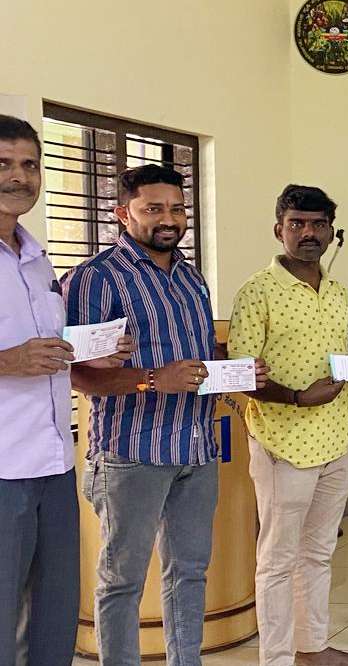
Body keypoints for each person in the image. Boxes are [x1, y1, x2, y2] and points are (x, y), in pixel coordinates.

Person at [67, 164, 267, 666]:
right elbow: (78, 375)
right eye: (153, 208)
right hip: (132, 453)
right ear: (122, 213)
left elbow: (196, 361)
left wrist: (235, 370)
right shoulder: (96, 278)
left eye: (177, 209)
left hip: (197, 450)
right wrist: (154, 379)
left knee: (190, 573)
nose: (169, 219)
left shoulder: (191, 277)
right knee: (122, 581)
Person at [0, 114, 129, 666]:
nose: (20, 176)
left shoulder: (37, 259)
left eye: (30, 164)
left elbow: (49, 347)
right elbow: (17, 355)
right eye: (4, 163)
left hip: (54, 461)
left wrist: (90, 351)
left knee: (55, 611)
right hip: (4, 466)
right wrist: (7, 360)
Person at [229, 185, 348, 666]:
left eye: (318, 224)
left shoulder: (337, 291)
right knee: (278, 560)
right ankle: (277, 658)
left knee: (320, 552)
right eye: (297, 224)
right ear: (279, 229)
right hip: (282, 445)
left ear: (331, 231)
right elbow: (241, 373)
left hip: (336, 440)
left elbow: (342, 355)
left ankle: (313, 645)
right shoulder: (258, 292)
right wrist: (296, 397)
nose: (308, 233)